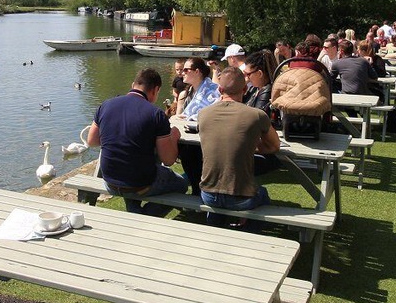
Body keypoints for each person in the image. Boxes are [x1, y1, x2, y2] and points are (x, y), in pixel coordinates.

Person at [86, 68, 187, 217]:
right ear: (156, 90)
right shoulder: (156, 114)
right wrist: (174, 136)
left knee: (135, 170)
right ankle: (142, 217)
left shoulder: (106, 105)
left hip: (110, 181)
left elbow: (92, 141)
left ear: (133, 84)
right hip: (140, 182)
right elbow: (169, 160)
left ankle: (134, 211)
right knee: (182, 185)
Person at [198, 69, 281, 227]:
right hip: (241, 198)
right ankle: (249, 230)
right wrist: (251, 147)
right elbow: (274, 145)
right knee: (262, 194)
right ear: (245, 89)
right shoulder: (256, 115)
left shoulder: (203, 114)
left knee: (219, 202)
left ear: (220, 89)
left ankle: (215, 227)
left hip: (208, 194)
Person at [176, 58, 221, 193]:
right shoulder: (189, 92)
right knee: (184, 150)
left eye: (186, 70)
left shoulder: (212, 91)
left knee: (189, 153)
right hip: (190, 136)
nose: (182, 73)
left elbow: (213, 113)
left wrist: (189, 117)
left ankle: (200, 190)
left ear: (197, 72)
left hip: (207, 137)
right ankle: (197, 188)